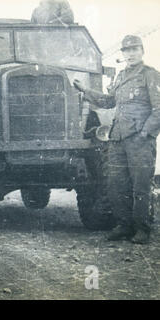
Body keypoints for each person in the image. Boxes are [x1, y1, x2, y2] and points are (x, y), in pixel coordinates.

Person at [74, 35, 160, 244]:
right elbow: (108, 101)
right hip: (118, 138)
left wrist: (146, 133)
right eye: (127, 51)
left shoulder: (150, 75)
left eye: (134, 50)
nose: (130, 54)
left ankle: (142, 229)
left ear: (142, 51)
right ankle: (124, 225)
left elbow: (158, 109)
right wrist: (86, 91)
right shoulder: (121, 77)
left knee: (140, 186)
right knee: (116, 185)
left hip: (139, 140)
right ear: (123, 54)